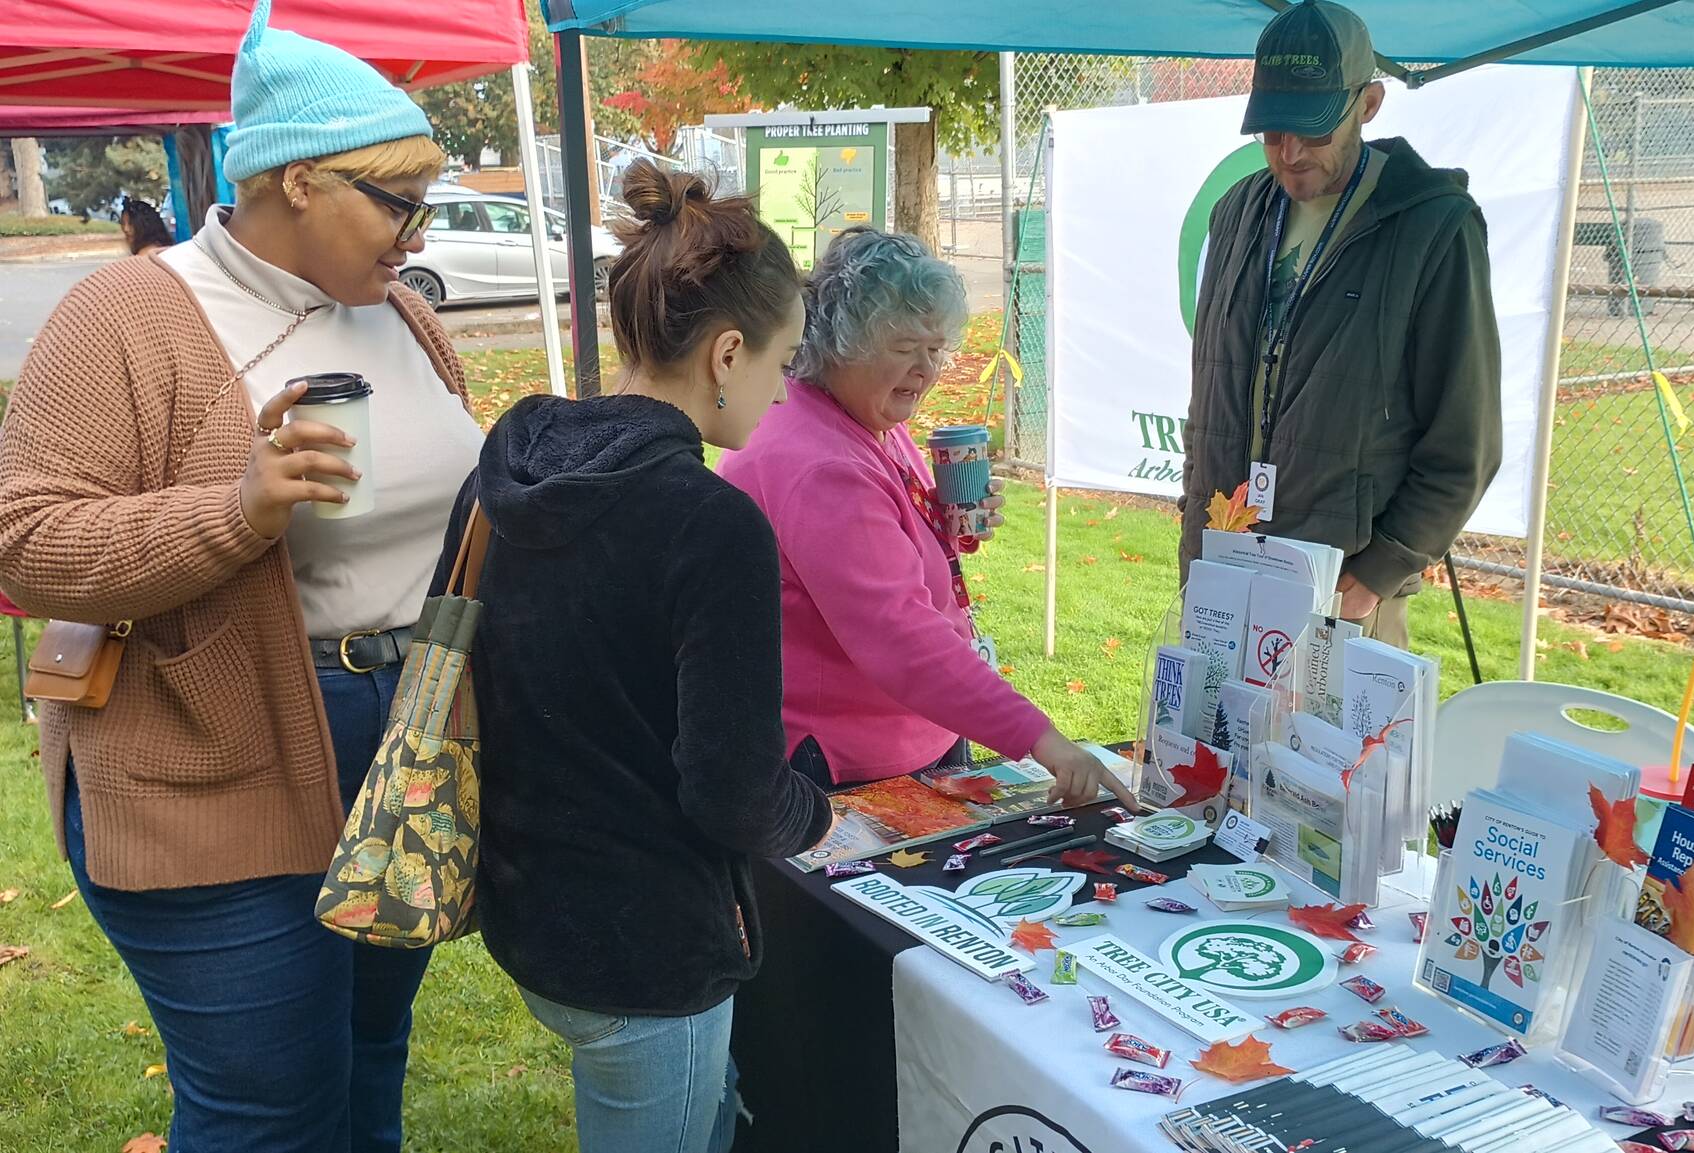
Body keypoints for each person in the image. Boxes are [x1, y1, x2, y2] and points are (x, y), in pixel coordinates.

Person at [0, 3, 480, 1150]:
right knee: (268, 1113)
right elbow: (26, 538)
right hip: (208, 766)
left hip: (405, 745)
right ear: (298, 179)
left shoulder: (404, 314)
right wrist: (239, 508)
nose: (415, 234)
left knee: (369, 1053)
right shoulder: (127, 313)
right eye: (396, 202)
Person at [440, 159, 832, 1153]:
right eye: (785, 363)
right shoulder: (711, 524)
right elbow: (734, 794)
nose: (783, 393)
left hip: (530, 914)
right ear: (728, 353)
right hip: (644, 953)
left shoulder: (507, 471)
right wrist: (817, 807)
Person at [719, 228, 1137, 808]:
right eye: (904, 348)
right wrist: (1042, 740)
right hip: (850, 763)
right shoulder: (822, 464)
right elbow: (900, 638)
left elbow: (878, 555)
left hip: (914, 733)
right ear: (844, 342)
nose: (926, 369)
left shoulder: (861, 416)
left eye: (937, 349)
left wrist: (938, 525)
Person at [1180, 0, 1503, 648]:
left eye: (1314, 129)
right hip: (1222, 569)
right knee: (1203, 722)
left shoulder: (1432, 227)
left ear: (1369, 104)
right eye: (1273, 131)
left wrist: (1378, 572)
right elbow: (1211, 385)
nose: (1290, 152)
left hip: (1342, 592)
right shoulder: (1235, 212)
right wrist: (1195, 517)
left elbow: (1464, 444)